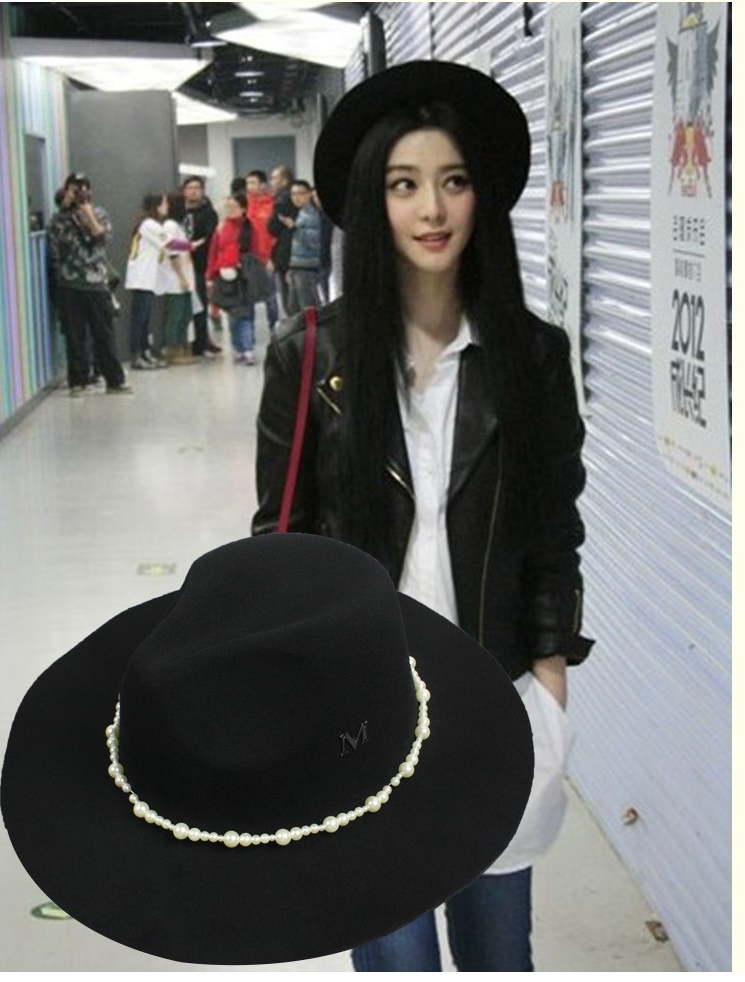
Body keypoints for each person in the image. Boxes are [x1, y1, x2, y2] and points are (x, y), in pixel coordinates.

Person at [252, 61, 593, 972]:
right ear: (375, 204)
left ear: (483, 196)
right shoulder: (310, 356)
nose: (432, 209)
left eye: (454, 180)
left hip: (497, 701)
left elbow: (554, 526)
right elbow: (279, 542)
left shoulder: (532, 357)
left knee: (498, 953)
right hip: (362, 711)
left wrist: (549, 676)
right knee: (396, 958)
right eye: (404, 185)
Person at [46, 173, 132, 396]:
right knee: (75, 336)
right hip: (70, 285)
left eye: (84, 189)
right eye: (75, 189)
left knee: (104, 334)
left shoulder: (99, 213)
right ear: (66, 191)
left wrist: (88, 214)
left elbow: (101, 238)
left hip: (96, 284)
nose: (80, 193)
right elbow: (55, 249)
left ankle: (115, 381)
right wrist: (65, 212)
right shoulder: (58, 219)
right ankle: (78, 382)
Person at [124, 193, 191, 370]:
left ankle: (145, 352)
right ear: (157, 206)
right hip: (141, 278)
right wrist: (191, 245)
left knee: (144, 319)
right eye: (164, 203)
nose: (167, 207)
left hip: (146, 279)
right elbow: (170, 244)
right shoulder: (149, 224)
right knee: (139, 319)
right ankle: (137, 355)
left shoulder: (149, 224)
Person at [206, 191, 256, 365]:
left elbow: (257, 252)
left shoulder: (249, 228)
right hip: (224, 276)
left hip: (245, 276)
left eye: (234, 207)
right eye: (228, 207)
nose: (230, 210)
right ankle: (239, 348)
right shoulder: (220, 228)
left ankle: (248, 348)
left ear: (243, 209)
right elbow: (213, 253)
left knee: (245, 314)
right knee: (233, 315)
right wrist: (210, 276)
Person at [181, 175, 221, 357]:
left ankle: (201, 342)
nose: (193, 191)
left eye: (197, 188)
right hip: (179, 264)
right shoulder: (178, 211)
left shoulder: (209, 213)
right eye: (190, 188)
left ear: (203, 191)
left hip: (200, 264)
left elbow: (210, 238)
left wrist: (194, 246)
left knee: (200, 305)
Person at [158, 192, 198, 365]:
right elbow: (172, 251)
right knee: (175, 315)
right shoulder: (169, 226)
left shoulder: (178, 226)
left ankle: (183, 347)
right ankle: (172, 350)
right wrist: (181, 277)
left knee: (186, 315)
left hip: (185, 277)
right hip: (176, 279)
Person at [245, 169, 280, 330]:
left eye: (253, 182)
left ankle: (274, 329)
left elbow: (275, 235)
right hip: (248, 259)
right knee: (248, 297)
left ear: (262, 185)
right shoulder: (244, 205)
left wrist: (272, 257)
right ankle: (249, 332)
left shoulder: (272, 205)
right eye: (248, 183)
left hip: (266, 258)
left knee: (270, 297)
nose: (249, 186)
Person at [283, 180, 321, 315]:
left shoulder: (311, 215)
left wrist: (294, 228)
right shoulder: (301, 213)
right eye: (293, 194)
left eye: (300, 193)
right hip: (298, 266)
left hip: (306, 267)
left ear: (309, 194)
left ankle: (312, 329)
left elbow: (312, 242)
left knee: (307, 306)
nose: (296, 197)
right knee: (294, 308)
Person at [266, 164, 298, 312]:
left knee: (290, 302)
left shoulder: (283, 199)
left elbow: (272, 227)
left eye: (274, 178)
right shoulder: (296, 198)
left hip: (287, 254)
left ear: (284, 180)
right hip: (297, 253)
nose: (271, 182)